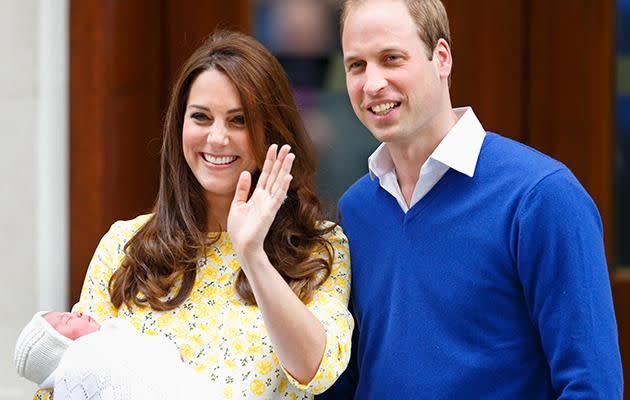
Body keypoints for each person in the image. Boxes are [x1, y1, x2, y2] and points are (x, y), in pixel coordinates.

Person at [319, 0, 623, 398]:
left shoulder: (542, 197)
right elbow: (343, 377)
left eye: (391, 59)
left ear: (441, 58)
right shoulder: (355, 211)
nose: (372, 83)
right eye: (356, 65)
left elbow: (591, 386)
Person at [33, 30, 352, 399]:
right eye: (201, 117)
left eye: (239, 120)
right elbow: (66, 379)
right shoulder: (125, 245)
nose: (217, 138)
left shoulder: (318, 248)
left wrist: (251, 253)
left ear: (272, 132)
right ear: (179, 124)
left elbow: (316, 370)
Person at [15, 311, 218, 399]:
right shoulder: (81, 359)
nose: (76, 313)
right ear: (59, 348)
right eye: (66, 321)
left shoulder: (112, 337)